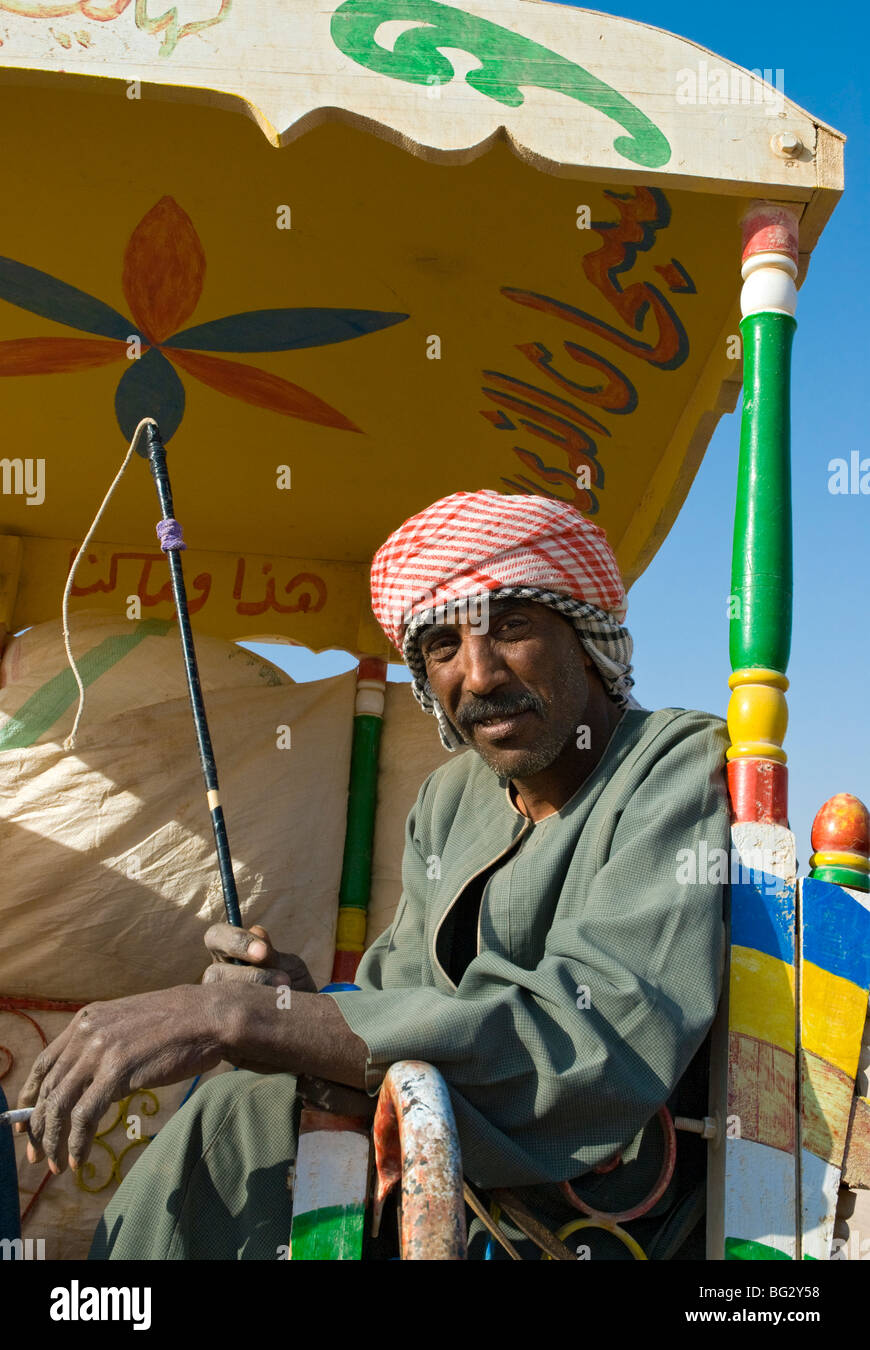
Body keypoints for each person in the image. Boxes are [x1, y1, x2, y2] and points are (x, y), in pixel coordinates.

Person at [18, 490, 730, 1259]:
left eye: (513, 627)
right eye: (442, 647)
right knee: (234, 1105)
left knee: (239, 1108)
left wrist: (236, 1021)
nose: (480, 675)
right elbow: (397, 1001)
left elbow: (594, 1044)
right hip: (431, 1164)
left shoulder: (672, 765)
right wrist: (289, 1002)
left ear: (586, 637)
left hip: (590, 1209)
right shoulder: (454, 796)